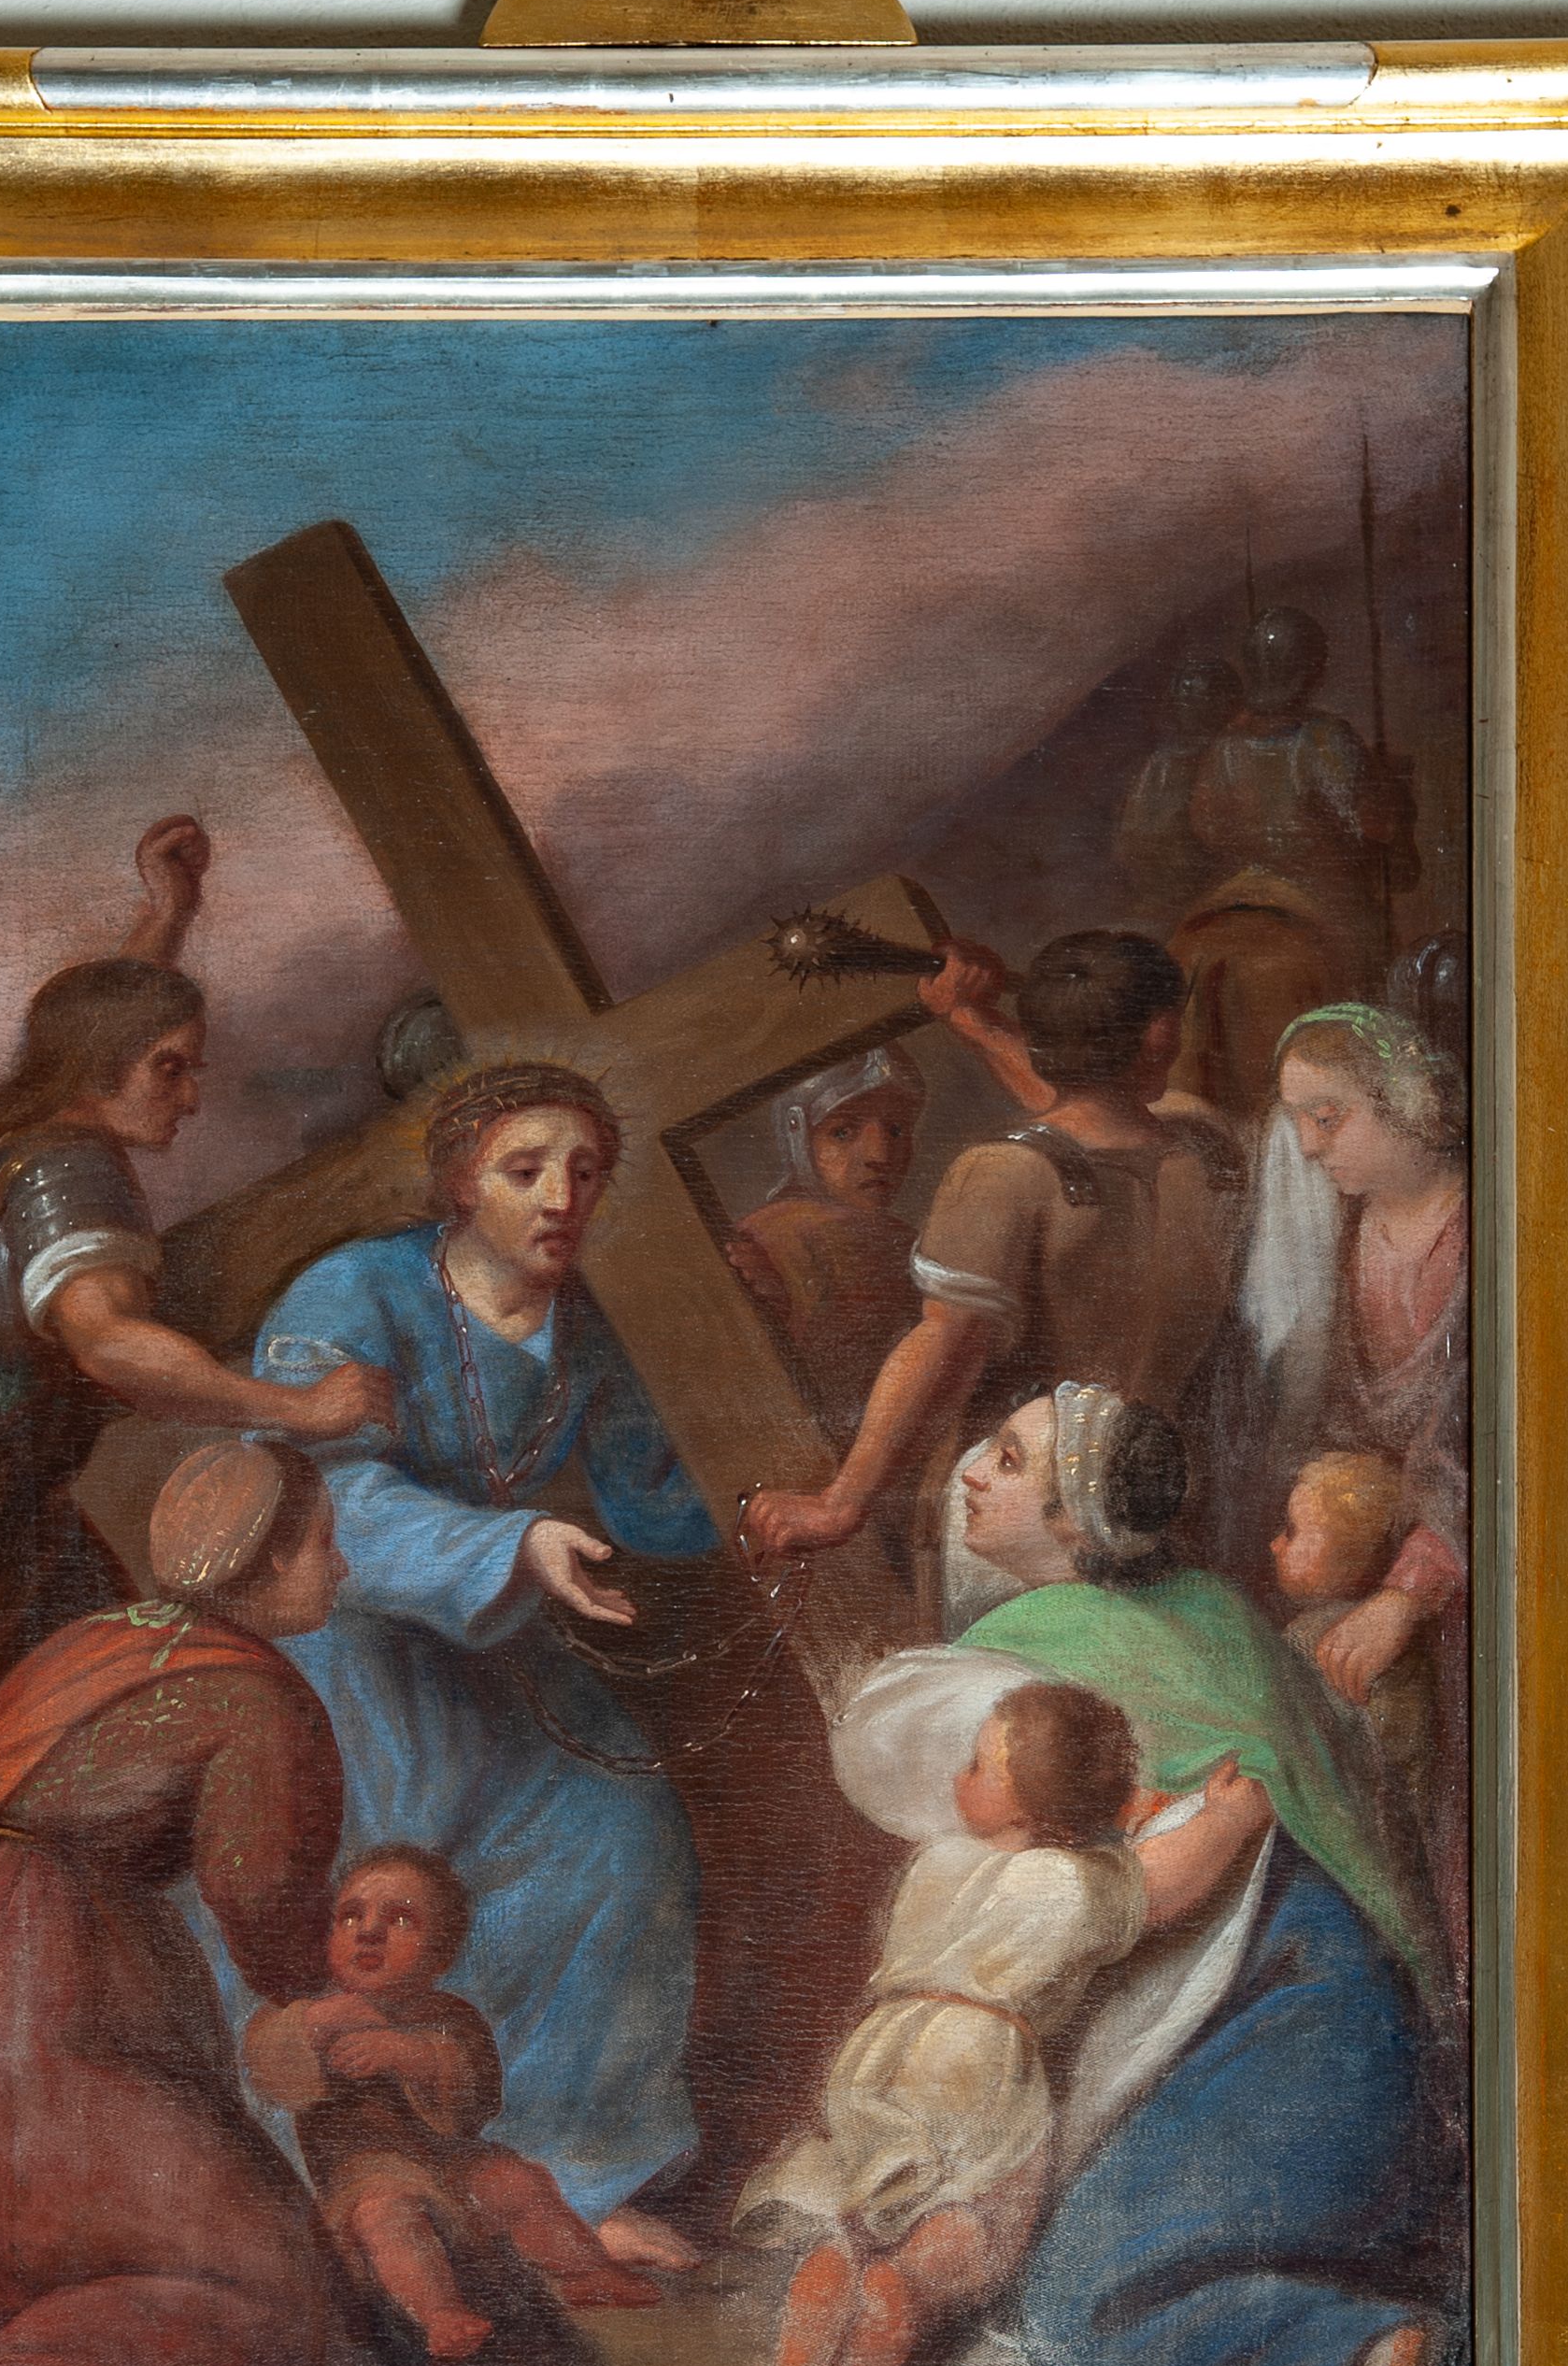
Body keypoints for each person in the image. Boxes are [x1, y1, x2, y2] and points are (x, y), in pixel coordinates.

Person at [904, 1382, 1450, 2366]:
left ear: (1072, 1525)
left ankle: (1367, 2358)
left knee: (1079, 2325)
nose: (971, 1473)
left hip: (1286, 2012)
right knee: (1035, 2333)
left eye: (1006, 1460)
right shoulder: (1216, 1607)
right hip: (1369, 2051)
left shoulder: (1022, 1654)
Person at [249, 1060, 724, 2263]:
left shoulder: (583, 1327)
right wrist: (510, 1544)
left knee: (623, 1838)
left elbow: (651, 1492)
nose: (562, 1195)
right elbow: (322, 1494)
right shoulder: (350, 1291)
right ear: (462, 1180)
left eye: (585, 1170)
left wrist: (755, 1503)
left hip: (497, 1641)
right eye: (525, 1169)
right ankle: (340, 2184)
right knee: (363, 1873)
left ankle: (570, 2173)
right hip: (348, 1644)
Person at [0, 1440, 366, 2366]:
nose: (343, 1568)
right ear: (263, 1558)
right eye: (324, 1544)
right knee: (273, 2305)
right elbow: (262, 1896)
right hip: (53, 1991)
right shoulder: (256, 1695)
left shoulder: (102, 1642)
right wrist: (326, 2018)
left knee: (71, 2243)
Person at [0, 820, 393, 1746]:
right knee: (58, 1727)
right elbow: (108, 1341)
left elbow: (109, 1020)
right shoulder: (69, 1171)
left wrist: (166, 916)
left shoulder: (8, 1127)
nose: (190, 1096)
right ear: (100, 1064)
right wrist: (301, 1408)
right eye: (169, 1070)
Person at [736, 1678, 1271, 2366]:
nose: (959, 1777)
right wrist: (1227, 1817)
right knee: (973, 2213)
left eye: (978, 1766)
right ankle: (903, 2291)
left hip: (880, 2052)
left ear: (1025, 1809)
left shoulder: (936, 1863)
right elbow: (1165, 1882)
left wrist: (1107, 1819)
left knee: (856, 2209)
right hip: (979, 2059)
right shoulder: (1071, 1884)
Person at [743, 934, 1240, 1623]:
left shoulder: (1000, 1175)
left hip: (1021, 1522)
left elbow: (947, 1342)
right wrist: (972, 1020)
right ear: (1160, 1035)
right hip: (1164, 1509)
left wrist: (841, 1502)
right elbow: (1106, 1110)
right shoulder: (1210, 1154)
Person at [243, 1846, 659, 2362]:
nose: (369, 1932)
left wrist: (412, 2054)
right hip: (365, 2173)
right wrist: (315, 2023)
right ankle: (439, 2313)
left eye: (400, 1919)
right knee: (386, 2214)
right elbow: (267, 2069)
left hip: (455, 2165)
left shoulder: (450, 2015)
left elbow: (479, 2094)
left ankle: (587, 2271)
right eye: (350, 1916)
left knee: (518, 2182)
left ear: (439, 1955)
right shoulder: (310, 2015)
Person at [1251, 1004, 1470, 1974]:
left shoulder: (1487, 1229)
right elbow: (1345, 1425)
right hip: (1386, 1577)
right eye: (1299, 1119)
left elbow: (1492, 1445)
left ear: (1405, 1100)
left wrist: (1403, 1596)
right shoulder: (1351, 1236)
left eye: (1327, 1116)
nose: (1307, 1144)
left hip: (1473, 1585)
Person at [1163, 606, 1418, 1117]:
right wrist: (1392, 792)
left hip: (1234, 891)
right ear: (1312, 668)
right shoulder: (1327, 738)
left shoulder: (1225, 744)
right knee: (1376, 982)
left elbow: (1206, 826)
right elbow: (1373, 826)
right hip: (1319, 895)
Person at [725, 1046, 924, 1450]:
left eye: (896, 1130)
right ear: (799, 1138)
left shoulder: (901, 1238)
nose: (879, 1155)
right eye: (842, 1132)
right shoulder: (776, 1235)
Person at [1271, 1448, 1435, 1799]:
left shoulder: (1308, 1638)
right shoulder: (1309, 1630)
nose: (1275, 1545)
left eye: (1292, 1531)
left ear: (1345, 1555)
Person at [1110, 651, 1244, 934]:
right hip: (1178, 901)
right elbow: (1132, 844)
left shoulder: (1231, 758)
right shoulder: (1162, 764)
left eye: (1203, 699)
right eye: (1188, 698)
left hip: (1208, 899)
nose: (1193, 707)